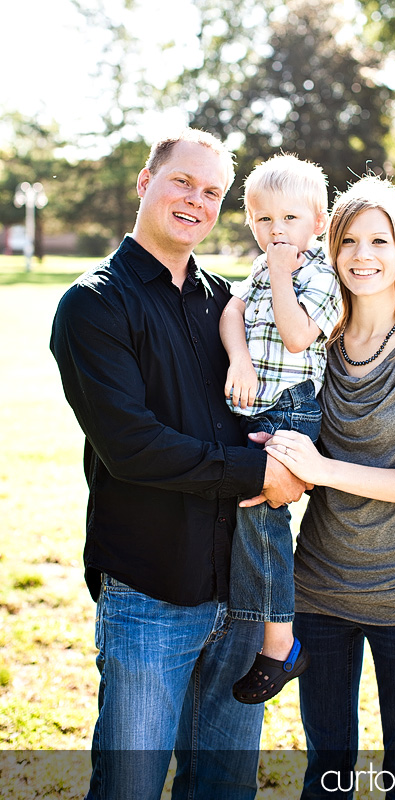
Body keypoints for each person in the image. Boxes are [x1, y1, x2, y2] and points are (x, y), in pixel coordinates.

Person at [50, 129, 307, 800]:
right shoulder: (94, 304)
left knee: (224, 788)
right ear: (145, 182)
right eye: (182, 182)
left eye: (213, 192)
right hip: (149, 590)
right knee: (129, 786)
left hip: (243, 591)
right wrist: (260, 475)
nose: (196, 200)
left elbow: (291, 376)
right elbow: (132, 445)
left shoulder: (227, 301)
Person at [256, 175, 395, 798]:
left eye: (379, 240)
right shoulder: (317, 346)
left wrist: (323, 470)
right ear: (330, 246)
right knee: (327, 771)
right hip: (318, 593)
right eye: (348, 240)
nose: (363, 256)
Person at [219, 154, 341, 704]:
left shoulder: (320, 275)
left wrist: (280, 274)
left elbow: (296, 337)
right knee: (240, 515)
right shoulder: (261, 265)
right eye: (264, 220)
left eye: (290, 220)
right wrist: (239, 360)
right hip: (252, 401)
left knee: (262, 520)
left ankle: (279, 645)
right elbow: (231, 313)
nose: (277, 231)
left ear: (317, 223)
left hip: (289, 411)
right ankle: (250, 624)